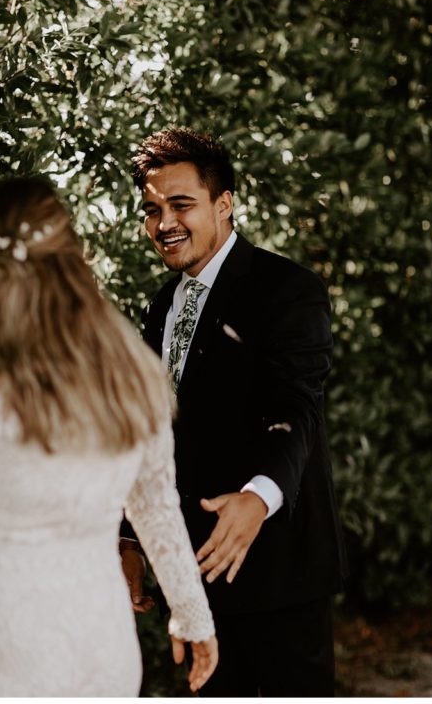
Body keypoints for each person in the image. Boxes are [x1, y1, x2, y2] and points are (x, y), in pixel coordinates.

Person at [0, 177, 217, 697]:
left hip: (9, 641)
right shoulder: (127, 371)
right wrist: (193, 617)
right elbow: (156, 509)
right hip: (101, 639)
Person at [130, 127, 348, 696]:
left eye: (181, 204)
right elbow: (148, 436)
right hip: (194, 578)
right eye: (152, 210)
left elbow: (295, 407)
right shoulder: (159, 306)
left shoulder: (288, 289)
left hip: (279, 571)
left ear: (224, 205)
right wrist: (132, 543)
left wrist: (258, 497)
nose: (164, 223)